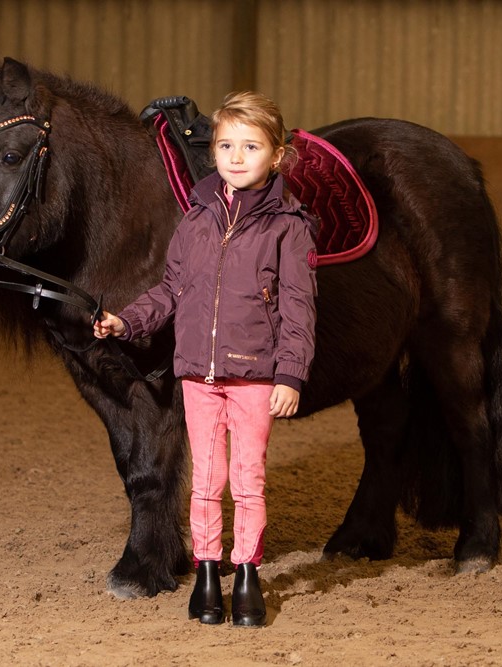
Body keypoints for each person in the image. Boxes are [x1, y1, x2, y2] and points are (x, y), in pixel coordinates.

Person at [94, 91, 317, 627]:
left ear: (278, 155)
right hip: (198, 371)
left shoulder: (289, 227)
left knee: (248, 479)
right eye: (225, 145)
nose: (236, 157)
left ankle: (247, 574)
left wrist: (290, 373)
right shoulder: (195, 221)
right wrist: (128, 320)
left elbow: (299, 307)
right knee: (206, 480)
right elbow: (172, 288)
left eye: (250, 146)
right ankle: (209, 571)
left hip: (255, 376)